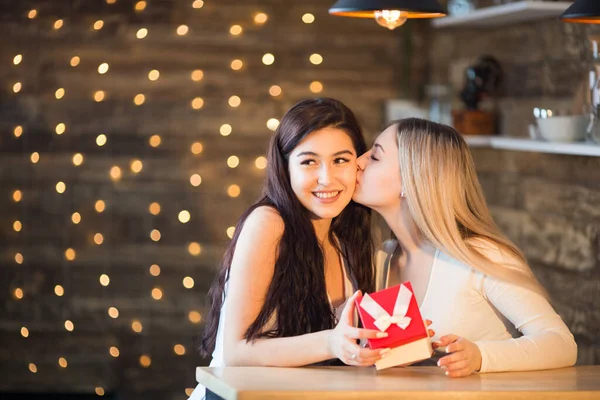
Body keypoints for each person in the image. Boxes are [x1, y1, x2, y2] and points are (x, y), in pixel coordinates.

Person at [189, 98, 394, 400]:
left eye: (340, 160)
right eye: (309, 161)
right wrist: (331, 343)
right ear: (285, 168)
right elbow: (234, 352)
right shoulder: (269, 223)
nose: (327, 178)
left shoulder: (346, 240)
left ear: (357, 164)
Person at [353, 118, 578, 378]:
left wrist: (480, 356)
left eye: (375, 156)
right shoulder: (383, 257)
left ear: (412, 179)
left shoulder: (479, 256)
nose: (358, 161)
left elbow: (561, 344)